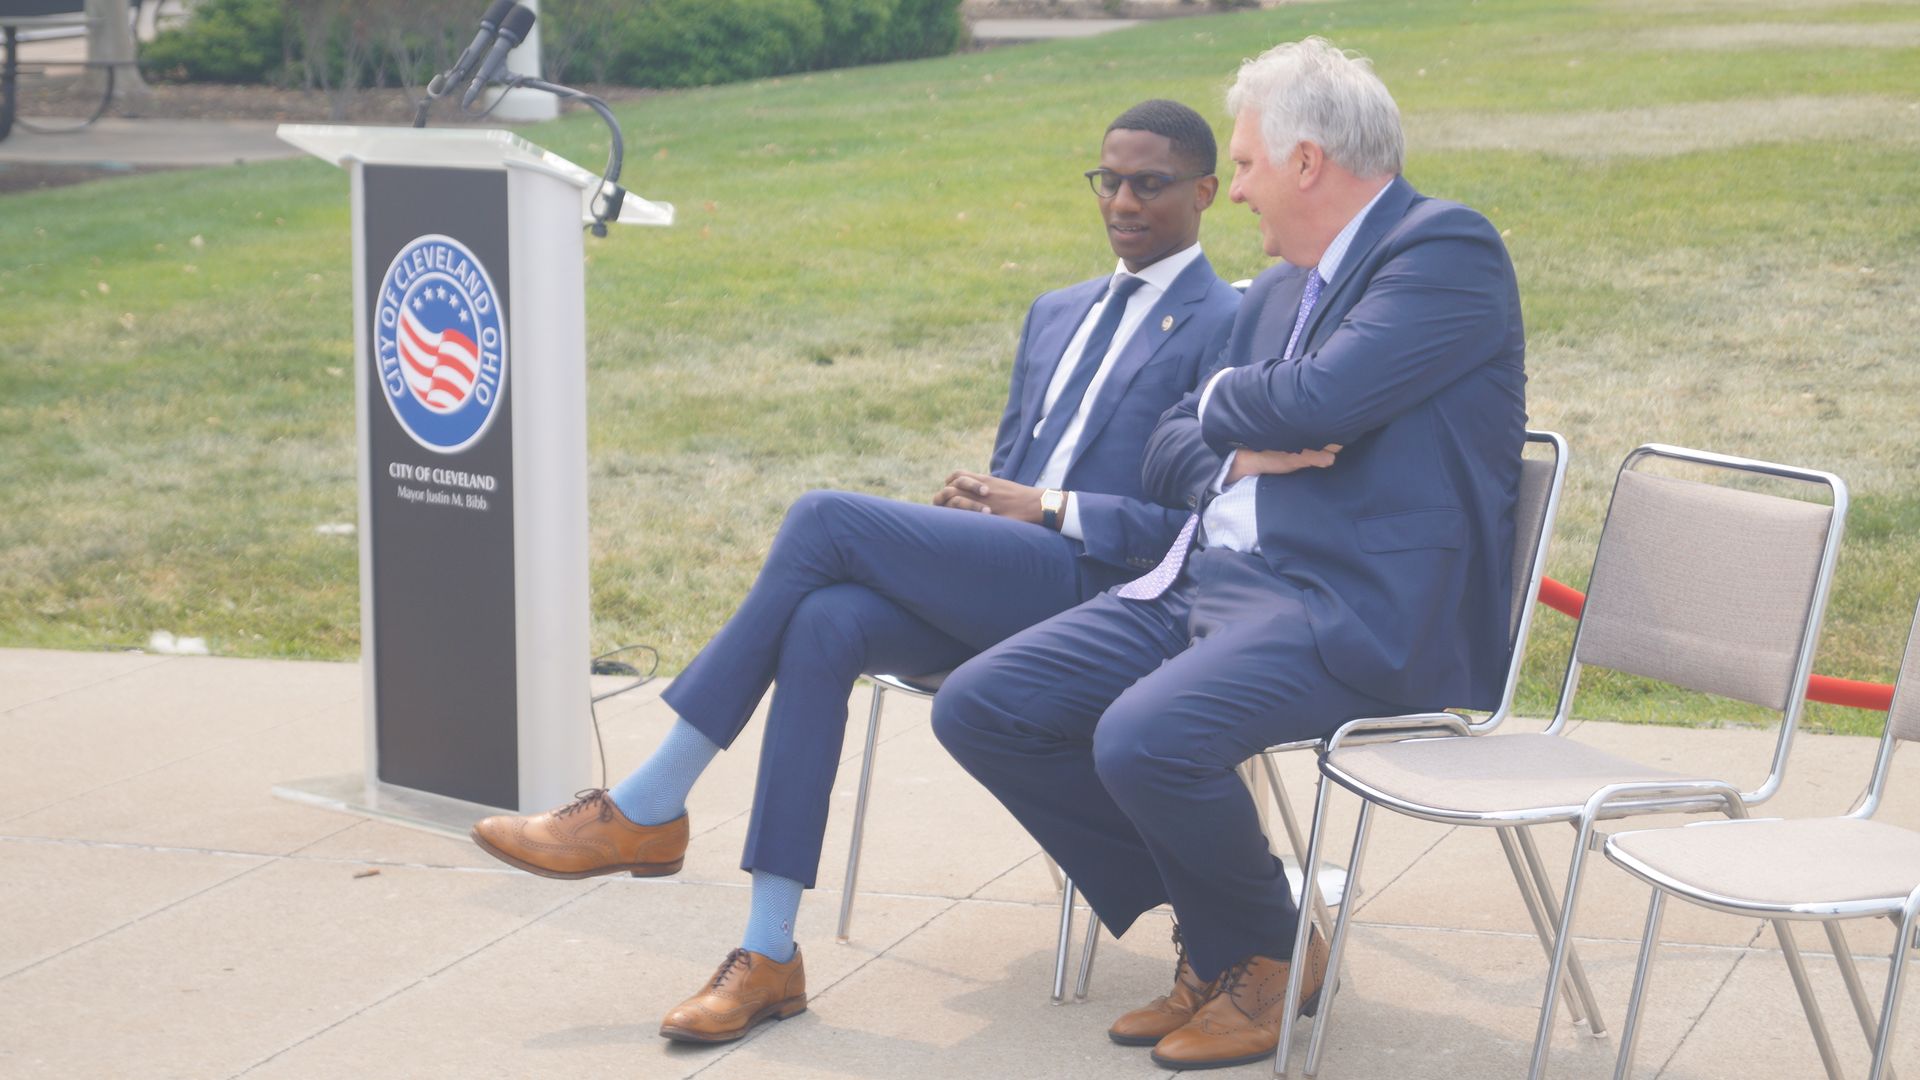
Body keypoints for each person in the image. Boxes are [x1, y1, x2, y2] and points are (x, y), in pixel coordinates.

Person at [469, 99, 1241, 1044]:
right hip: (1013, 580)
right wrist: (980, 505)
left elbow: (1197, 523)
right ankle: (768, 954)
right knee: (825, 619)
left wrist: (1046, 509)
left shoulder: (1229, 324)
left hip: (1110, 595)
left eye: (1149, 184)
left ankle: (650, 802)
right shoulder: (1056, 312)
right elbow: (1016, 466)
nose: (1122, 200)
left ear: (1204, 192)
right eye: (1108, 180)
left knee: (823, 518)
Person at [930, 38, 1527, 1071]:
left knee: (1142, 739)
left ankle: (1259, 949)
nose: (1235, 190)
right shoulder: (1271, 294)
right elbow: (1170, 450)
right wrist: (1241, 439)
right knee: (984, 707)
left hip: (1352, 606)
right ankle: (1234, 934)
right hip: (1209, 583)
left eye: (1245, 165)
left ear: (1306, 163)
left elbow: (1320, 401)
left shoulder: (1444, 252)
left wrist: (1224, 410)